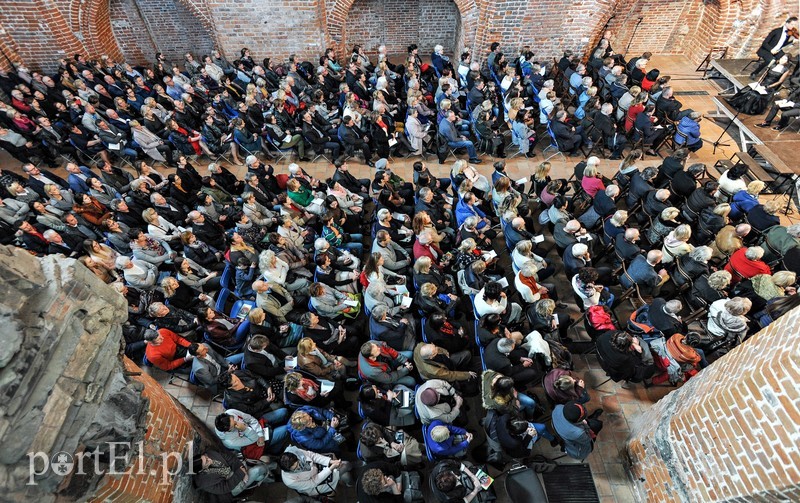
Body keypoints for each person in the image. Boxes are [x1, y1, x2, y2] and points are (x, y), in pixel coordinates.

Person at [214, 408, 289, 460]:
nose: (237, 422)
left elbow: (250, 419)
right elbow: (253, 439)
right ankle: (274, 450)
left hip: (258, 428)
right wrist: (244, 429)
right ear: (228, 431)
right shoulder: (230, 441)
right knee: (286, 429)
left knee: (284, 412)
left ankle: (277, 438)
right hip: (254, 443)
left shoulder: (230, 412)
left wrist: (260, 433)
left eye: (233, 419)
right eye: (234, 425)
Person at [192, 449, 270, 498]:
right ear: (201, 470)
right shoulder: (205, 482)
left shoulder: (210, 453)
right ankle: (274, 467)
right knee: (258, 470)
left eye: (205, 457)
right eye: (206, 462)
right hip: (232, 488)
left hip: (234, 471)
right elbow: (226, 487)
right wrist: (240, 473)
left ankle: (269, 477)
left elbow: (231, 459)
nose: (209, 459)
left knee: (259, 476)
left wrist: (243, 471)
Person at [279, 446, 354, 497]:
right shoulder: (290, 481)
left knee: (346, 473)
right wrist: (330, 468)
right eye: (295, 468)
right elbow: (313, 482)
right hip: (315, 485)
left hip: (317, 468)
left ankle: (349, 482)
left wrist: (330, 461)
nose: (299, 467)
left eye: (298, 463)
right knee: (346, 470)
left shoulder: (294, 452)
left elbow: (312, 456)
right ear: (288, 471)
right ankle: (351, 480)